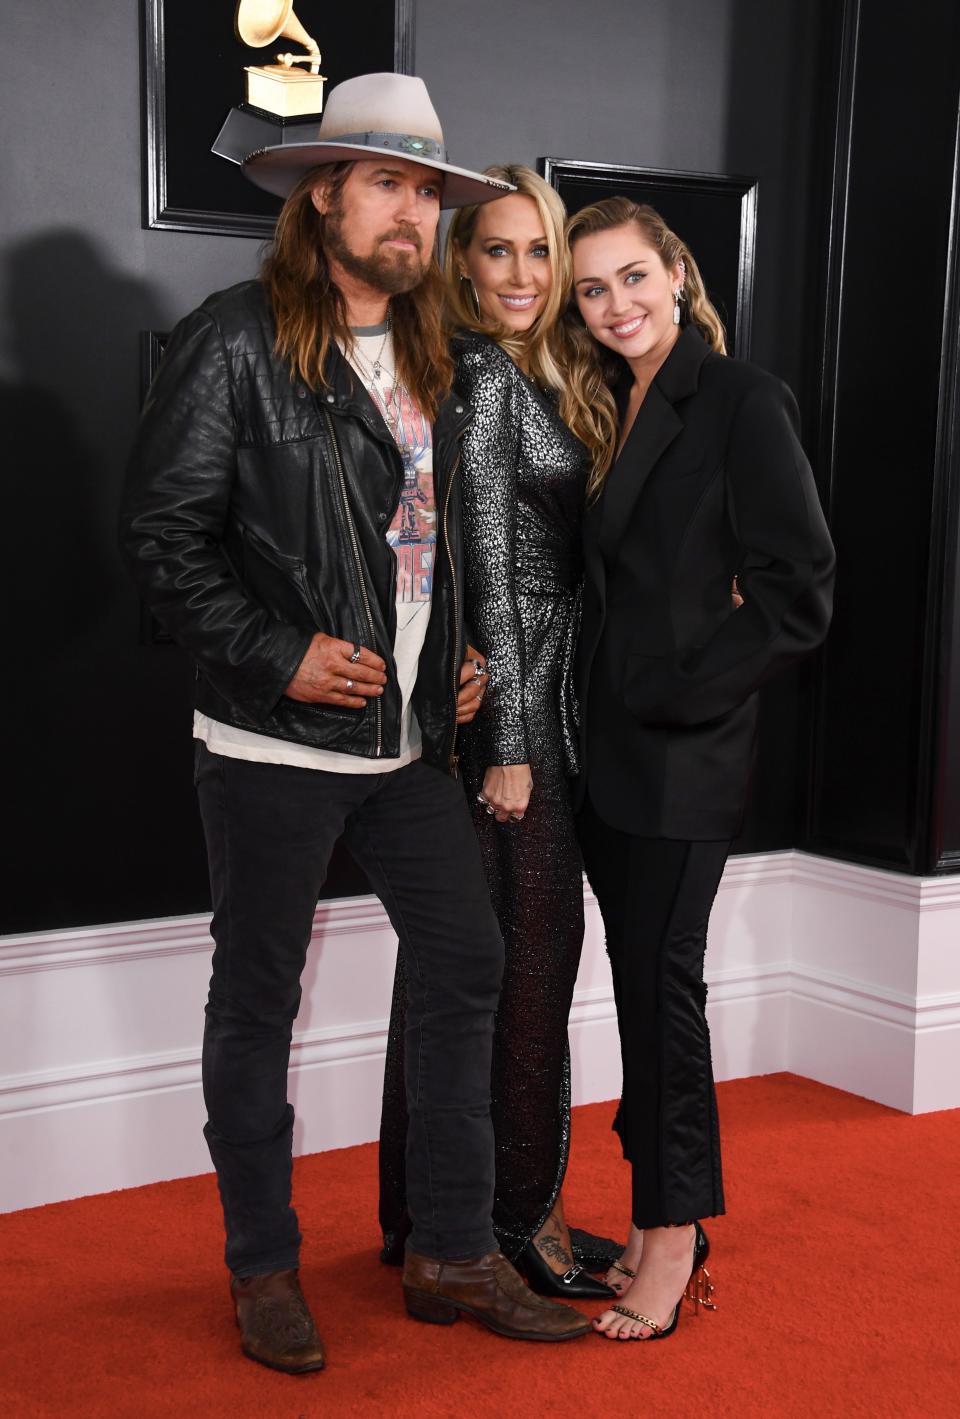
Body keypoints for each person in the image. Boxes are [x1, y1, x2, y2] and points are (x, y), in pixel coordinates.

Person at [119, 74, 592, 1375]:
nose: (414, 214)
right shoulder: (234, 340)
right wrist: (281, 653)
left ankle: (449, 1247)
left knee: (469, 960)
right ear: (322, 191)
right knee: (259, 1002)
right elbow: (161, 541)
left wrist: (448, 663)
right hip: (273, 745)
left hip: (407, 750)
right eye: (388, 182)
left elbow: (426, 552)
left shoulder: (442, 355)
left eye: (430, 191)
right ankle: (262, 1267)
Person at [566, 197, 835, 1341]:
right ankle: (650, 1210)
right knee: (637, 986)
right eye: (592, 289)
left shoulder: (739, 398)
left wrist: (675, 691)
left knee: (664, 990)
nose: (616, 305)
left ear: (677, 273)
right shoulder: (601, 402)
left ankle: (675, 1231)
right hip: (601, 752)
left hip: (684, 753)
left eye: (633, 278)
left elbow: (799, 589)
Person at [378, 166, 619, 1299]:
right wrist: (512, 745)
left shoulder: (529, 374)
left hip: (518, 722)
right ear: (459, 264)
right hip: (516, 739)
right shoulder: (479, 377)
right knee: (524, 977)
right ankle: (517, 1225)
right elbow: (489, 576)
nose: (522, 276)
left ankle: (433, 1214)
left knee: (465, 977)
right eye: (498, 252)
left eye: (540, 253)